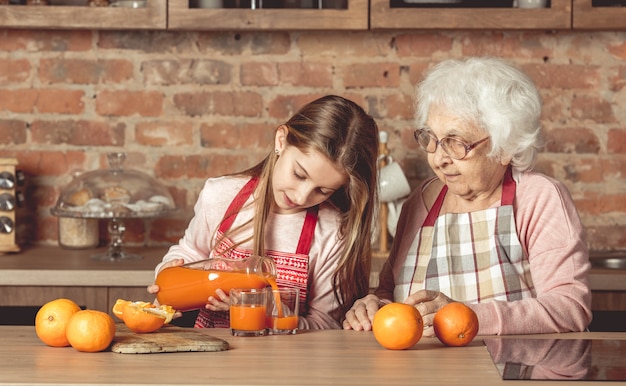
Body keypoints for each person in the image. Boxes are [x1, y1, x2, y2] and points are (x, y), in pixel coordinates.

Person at [343, 57, 592, 336]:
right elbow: (392, 292)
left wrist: (466, 316)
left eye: (456, 142)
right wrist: (374, 305)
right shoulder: (421, 201)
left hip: (510, 371)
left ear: (505, 146)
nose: (438, 159)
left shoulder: (538, 198)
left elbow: (570, 308)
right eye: (432, 139)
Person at [149, 95, 379, 329]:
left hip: (286, 362)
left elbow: (324, 324)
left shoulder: (332, 231)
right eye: (299, 174)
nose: (301, 197)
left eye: (323, 190)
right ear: (281, 140)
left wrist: (267, 312)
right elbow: (191, 251)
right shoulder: (220, 196)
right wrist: (170, 270)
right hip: (209, 353)